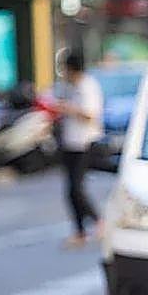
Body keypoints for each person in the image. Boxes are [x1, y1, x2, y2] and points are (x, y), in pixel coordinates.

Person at [54, 51, 104, 248]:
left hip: (85, 143)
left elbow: (91, 115)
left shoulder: (87, 86)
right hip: (69, 143)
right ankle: (80, 231)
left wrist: (69, 109)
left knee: (76, 188)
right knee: (71, 191)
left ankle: (97, 220)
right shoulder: (68, 87)